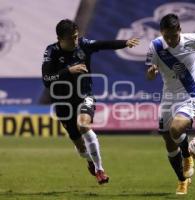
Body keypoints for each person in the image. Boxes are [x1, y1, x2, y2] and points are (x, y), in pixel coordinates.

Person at [42, 19, 139, 184]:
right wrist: (68, 71)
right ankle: (89, 160)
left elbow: (102, 44)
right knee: (81, 149)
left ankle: (100, 169)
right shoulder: (51, 52)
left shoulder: (83, 44)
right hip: (63, 103)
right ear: (60, 38)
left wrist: (125, 43)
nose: (75, 41)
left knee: (84, 125)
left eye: (76, 36)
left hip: (84, 95)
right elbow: (46, 79)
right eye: (71, 38)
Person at [145, 13, 195, 195]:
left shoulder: (193, 40)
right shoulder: (156, 46)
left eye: (174, 35)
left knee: (175, 130)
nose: (171, 40)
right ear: (161, 32)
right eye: (167, 36)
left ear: (180, 30)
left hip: (191, 93)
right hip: (169, 96)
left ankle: (188, 156)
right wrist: (152, 72)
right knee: (168, 140)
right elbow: (149, 76)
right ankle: (183, 180)